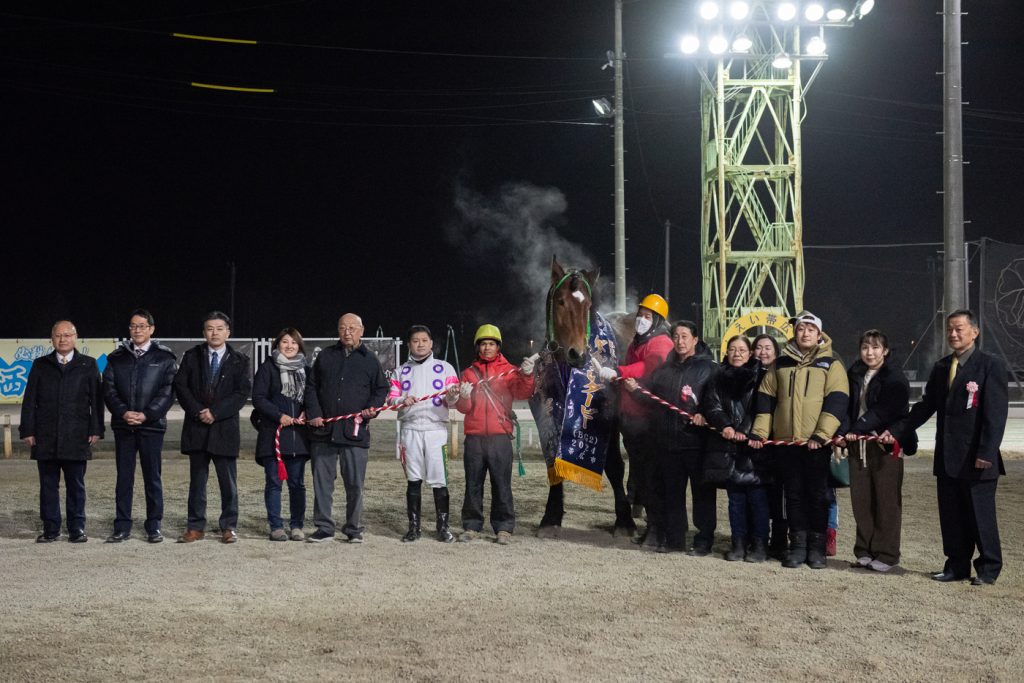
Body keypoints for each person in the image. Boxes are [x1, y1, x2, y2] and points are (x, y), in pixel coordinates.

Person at [889, 310, 1007, 585]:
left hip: (977, 458)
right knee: (952, 517)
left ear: (974, 332)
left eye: (960, 329)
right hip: (947, 456)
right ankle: (956, 566)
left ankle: (988, 569)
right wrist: (897, 430)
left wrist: (986, 453)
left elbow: (995, 416)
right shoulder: (942, 367)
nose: (954, 334)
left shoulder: (990, 366)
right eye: (950, 330)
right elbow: (927, 406)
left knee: (981, 517)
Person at [750, 311, 848, 569]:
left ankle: (816, 548)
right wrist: (760, 432)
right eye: (800, 329)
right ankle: (798, 545)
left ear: (819, 334)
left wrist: (821, 434)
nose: (804, 333)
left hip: (816, 444)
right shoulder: (781, 363)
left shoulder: (831, 362)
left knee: (816, 495)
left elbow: (837, 400)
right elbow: (766, 397)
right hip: (787, 443)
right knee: (792, 495)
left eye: (809, 329)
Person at [624, 320, 716, 555]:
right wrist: (635, 389)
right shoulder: (664, 370)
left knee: (702, 496)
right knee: (672, 494)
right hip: (668, 443)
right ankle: (675, 539)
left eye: (685, 336)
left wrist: (706, 415)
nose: (680, 341)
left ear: (695, 340)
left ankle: (704, 539)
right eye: (676, 336)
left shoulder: (709, 370)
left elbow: (716, 402)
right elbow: (651, 399)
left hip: (696, 443)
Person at [595, 294, 673, 546]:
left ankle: (658, 528)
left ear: (658, 320)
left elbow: (649, 367)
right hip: (632, 419)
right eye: (640, 314)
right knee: (642, 476)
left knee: (651, 478)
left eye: (647, 316)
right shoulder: (637, 343)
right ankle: (652, 527)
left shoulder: (660, 342)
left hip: (648, 420)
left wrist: (619, 371)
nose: (640, 319)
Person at [305, 313, 390, 543]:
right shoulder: (325, 356)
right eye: (343, 327)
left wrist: (373, 408)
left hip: (355, 433)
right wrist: (314, 414)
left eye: (352, 327)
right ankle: (324, 527)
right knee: (322, 484)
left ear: (362, 331)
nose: (347, 332)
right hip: (323, 433)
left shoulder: (370, 360)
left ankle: (353, 528)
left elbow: (381, 390)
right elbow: (311, 387)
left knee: (355, 484)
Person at [837, 329, 916, 573]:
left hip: (884, 446)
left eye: (875, 347)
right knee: (861, 500)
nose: (869, 352)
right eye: (865, 347)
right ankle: (864, 550)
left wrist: (857, 428)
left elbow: (886, 409)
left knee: (886, 501)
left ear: (885, 350)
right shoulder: (854, 373)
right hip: (857, 444)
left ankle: (887, 553)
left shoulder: (895, 376)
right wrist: (842, 432)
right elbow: (844, 406)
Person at [19, 320, 104, 543]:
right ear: (51, 338)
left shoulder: (89, 365)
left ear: (75, 337)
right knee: (48, 485)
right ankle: (51, 528)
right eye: (58, 335)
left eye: (67, 335)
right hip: (45, 436)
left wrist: (96, 428)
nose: (63, 339)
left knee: (76, 484)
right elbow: (29, 401)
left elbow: (97, 401)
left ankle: (77, 528)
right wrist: (27, 429)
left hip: (77, 435)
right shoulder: (40, 365)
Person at [174, 311, 251, 544]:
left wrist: (215, 412)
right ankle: (195, 526)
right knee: (197, 481)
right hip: (197, 427)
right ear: (203, 332)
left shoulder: (240, 360)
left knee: (228, 482)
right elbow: (181, 386)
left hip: (224, 428)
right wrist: (199, 410)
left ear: (228, 332)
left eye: (219, 328)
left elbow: (241, 393)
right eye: (210, 328)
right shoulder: (191, 356)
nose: (214, 333)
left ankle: (228, 526)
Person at [455, 324, 536, 545]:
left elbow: (522, 392)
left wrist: (528, 376)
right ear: (477, 347)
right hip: (475, 437)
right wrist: (462, 397)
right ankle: (472, 525)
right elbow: (464, 408)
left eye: (491, 344)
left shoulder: (509, 371)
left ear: (498, 347)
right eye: (483, 344)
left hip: (500, 436)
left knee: (502, 484)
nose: (487, 347)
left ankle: (504, 527)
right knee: (473, 483)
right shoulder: (469, 373)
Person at [102, 309, 177, 543]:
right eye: (133, 326)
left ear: (152, 329)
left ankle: (153, 525)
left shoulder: (165, 358)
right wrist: (124, 413)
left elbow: (168, 392)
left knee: (152, 478)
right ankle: (122, 525)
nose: (137, 330)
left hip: (151, 426)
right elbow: (109, 389)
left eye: (142, 326)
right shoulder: (116, 358)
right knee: (124, 478)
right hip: (124, 426)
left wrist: (146, 415)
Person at [390, 325, 461, 543]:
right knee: (413, 480)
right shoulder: (400, 371)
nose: (419, 344)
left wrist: (453, 395)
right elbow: (391, 400)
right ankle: (414, 528)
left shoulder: (445, 368)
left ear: (431, 343)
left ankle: (442, 527)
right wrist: (402, 400)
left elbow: (453, 400)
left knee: (439, 480)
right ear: (409, 344)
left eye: (424, 340)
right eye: (415, 340)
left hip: (435, 430)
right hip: (410, 430)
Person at [703, 335, 770, 562]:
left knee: (758, 501)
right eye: (732, 349)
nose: (737, 353)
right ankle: (738, 544)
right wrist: (726, 425)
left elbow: (763, 407)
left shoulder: (762, 377)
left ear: (750, 353)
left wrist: (746, 430)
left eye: (742, 349)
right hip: (727, 448)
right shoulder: (717, 377)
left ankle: (760, 545)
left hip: (755, 449)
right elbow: (711, 404)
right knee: (735, 501)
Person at [252, 328, 311, 541]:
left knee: (297, 484)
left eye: (294, 342)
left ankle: (297, 525)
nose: (289, 346)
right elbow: (258, 398)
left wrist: (308, 412)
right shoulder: (268, 368)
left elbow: (312, 396)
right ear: (277, 345)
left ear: (299, 346)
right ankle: (276, 526)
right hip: (273, 435)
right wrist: (279, 416)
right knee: (274, 483)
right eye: (285, 342)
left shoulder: (307, 369)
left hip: (299, 437)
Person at [752, 333, 786, 559]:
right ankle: (756, 538)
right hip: (754, 441)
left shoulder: (782, 374)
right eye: (758, 347)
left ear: (776, 351)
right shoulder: (747, 375)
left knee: (779, 495)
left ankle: (780, 539)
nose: (763, 352)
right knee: (757, 494)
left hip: (779, 442)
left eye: (768, 347)